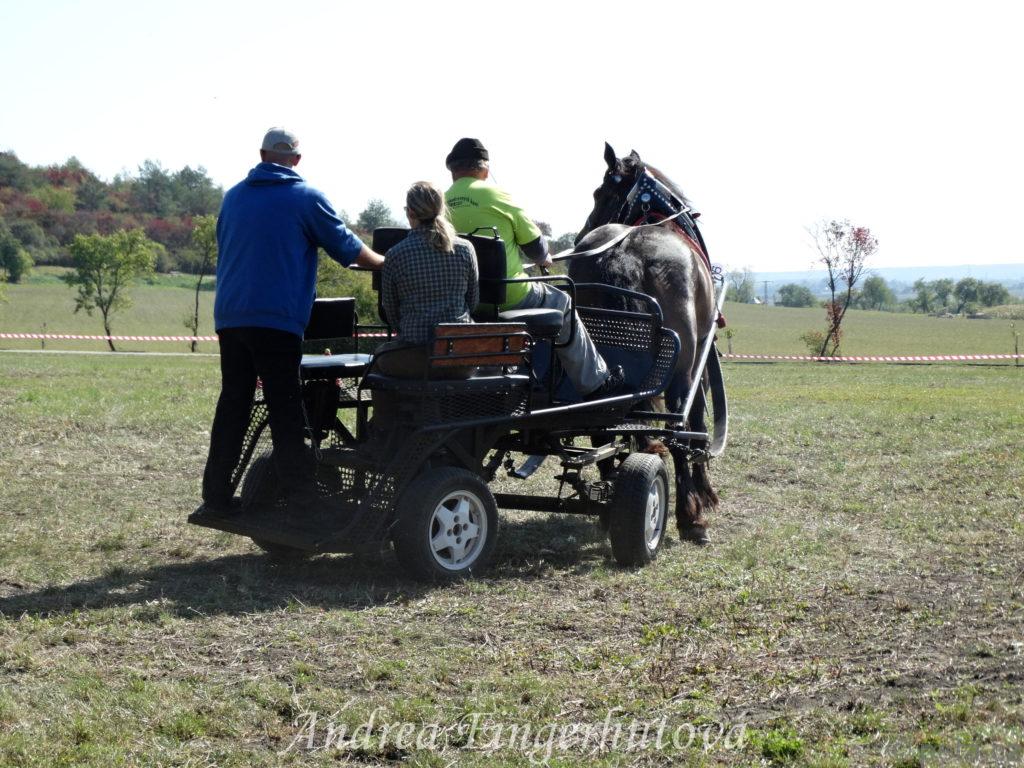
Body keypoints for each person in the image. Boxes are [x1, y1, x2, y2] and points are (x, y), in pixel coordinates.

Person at [200, 127, 385, 515]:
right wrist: (389, 263)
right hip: (276, 320)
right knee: (286, 406)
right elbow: (349, 249)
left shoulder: (233, 197)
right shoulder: (305, 197)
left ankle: (215, 497)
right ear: (297, 160)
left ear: (262, 155)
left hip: (231, 316)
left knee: (234, 403)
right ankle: (302, 499)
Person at [443, 138, 624, 398]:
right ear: (485, 169)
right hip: (508, 297)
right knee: (562, 302)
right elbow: (535, 248)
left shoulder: (440, 203)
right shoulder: (497, 196)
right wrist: (544, 257)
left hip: (461, 300)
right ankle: (595, 384)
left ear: (452, 171)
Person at [376, 181, 479, 378]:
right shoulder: (466, 249)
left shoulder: (395, 255)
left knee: (378, 358)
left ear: (410, 212)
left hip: (416, 355)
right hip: (459, 358)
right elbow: (472, 302)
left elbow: (391, 312)